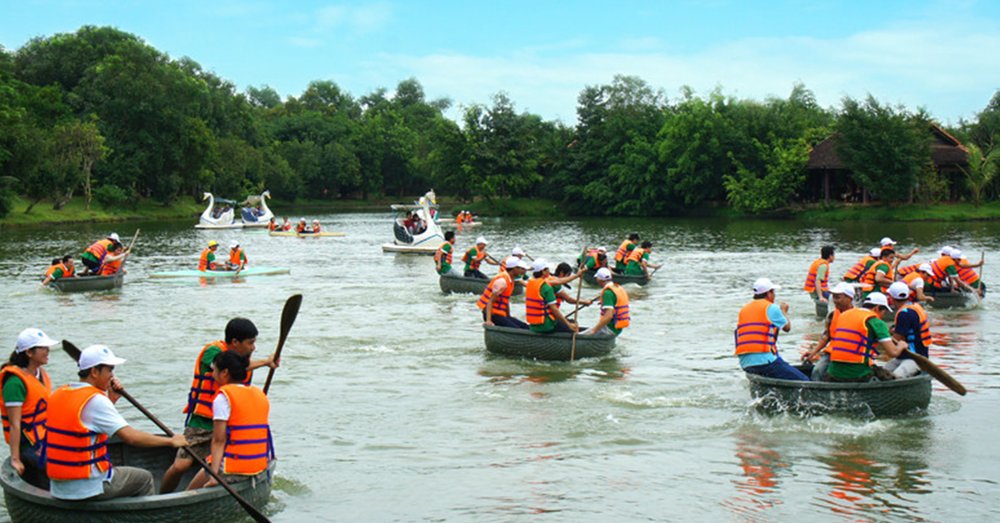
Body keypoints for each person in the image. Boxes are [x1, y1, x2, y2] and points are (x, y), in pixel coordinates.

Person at [45, 345, 188, 500]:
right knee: (144, 478)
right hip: (88, 488)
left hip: (58, 487)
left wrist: (111, 399)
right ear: (94, 372)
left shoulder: (59, 393)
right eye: (109, 370)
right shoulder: (96, 400)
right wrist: (171, 441)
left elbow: (88, 425)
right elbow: (131, 437)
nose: (112, 375)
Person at [160, 318, 277, 493]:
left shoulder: (243, 361)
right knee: (180, 466)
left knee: (213, 463)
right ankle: (164, 496)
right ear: (235, 342)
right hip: (203, 421)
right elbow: (231, 366)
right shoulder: (213, 351)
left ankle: (198, 491)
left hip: (229, 423)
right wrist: (266, 362)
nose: (253, 347)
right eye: (250, 343)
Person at [185, 351, 274, 490]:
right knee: (205, 468)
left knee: (191, 489)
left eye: (215, 370)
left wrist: (213, 476)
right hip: (259, 464)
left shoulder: (223, 397)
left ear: (224, 373)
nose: (212, 375)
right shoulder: (259, 394)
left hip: (235, 467)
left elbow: (219, 441)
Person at [1, 328, 57, 483]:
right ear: (29, 353)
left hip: (44, 436)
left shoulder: (40, 374)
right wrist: (15, 459)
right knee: (57, 467)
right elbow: (14, 424)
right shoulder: (15, 382)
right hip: (28, 443)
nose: (48, 351)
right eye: (43, 348)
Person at [733, 277, 808, 380]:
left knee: (781, 364)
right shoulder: (771, 307)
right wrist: (783, 311)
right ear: (768, 293)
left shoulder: (744, 309)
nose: (774, 295)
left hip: (745, 363)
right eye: (773, 292)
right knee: (804, 380)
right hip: (764, 362)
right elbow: (787, 327)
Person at [824, 293, 906, 382]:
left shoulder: (844, 315)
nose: (883, 315)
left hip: (832, 373)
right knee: (887, 376)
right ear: (877, 308)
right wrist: (902, 345)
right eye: (884, 311)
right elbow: (893, 352)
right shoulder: (877, 322)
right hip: (858, 374)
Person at [800, 282, 855, 380]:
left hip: (852, 354)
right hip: (832, 353)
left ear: (849, 298)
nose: (835, 301)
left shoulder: (858, 317)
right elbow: (826, 336)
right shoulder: (832, 315)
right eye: (833, 297)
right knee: (818, 370)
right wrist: (813, 352)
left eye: (838, 297)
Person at [885, 282, 932, 378]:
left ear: (891, 298)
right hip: (906, 356)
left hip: (915, 358)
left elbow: (897, 339)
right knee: (883, 373)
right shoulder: (915, 306)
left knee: (895, 377)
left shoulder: (904, 313)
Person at [525, 260, 578, 334]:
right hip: (546, 325)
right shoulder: (547, 287)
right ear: (543, 272)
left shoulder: (530, 283)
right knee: (574, 326)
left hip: (533, 325)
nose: (549, 272)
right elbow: (554, 309)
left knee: (568, 322)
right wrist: (568, 324)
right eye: (548, 269)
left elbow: (558, 281)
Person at [477, 258, 531, 329]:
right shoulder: (502, 281)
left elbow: (505, 300)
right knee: (516, 329)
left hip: (500, 313)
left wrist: (508, 316)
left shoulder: (510, 279)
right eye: (522, 269)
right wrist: (488, 320)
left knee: (525, 327)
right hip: (493, 314)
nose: (524, 271)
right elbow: (490, 301)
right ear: (514, 268)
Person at [580, 268, 630, 336]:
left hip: (610, 328)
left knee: (582, 334)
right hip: (617, 328)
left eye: (597, 278)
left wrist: (594, 330)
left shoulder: (607, 293)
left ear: (600, 280)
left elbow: (608, 316)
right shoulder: (617, 288)